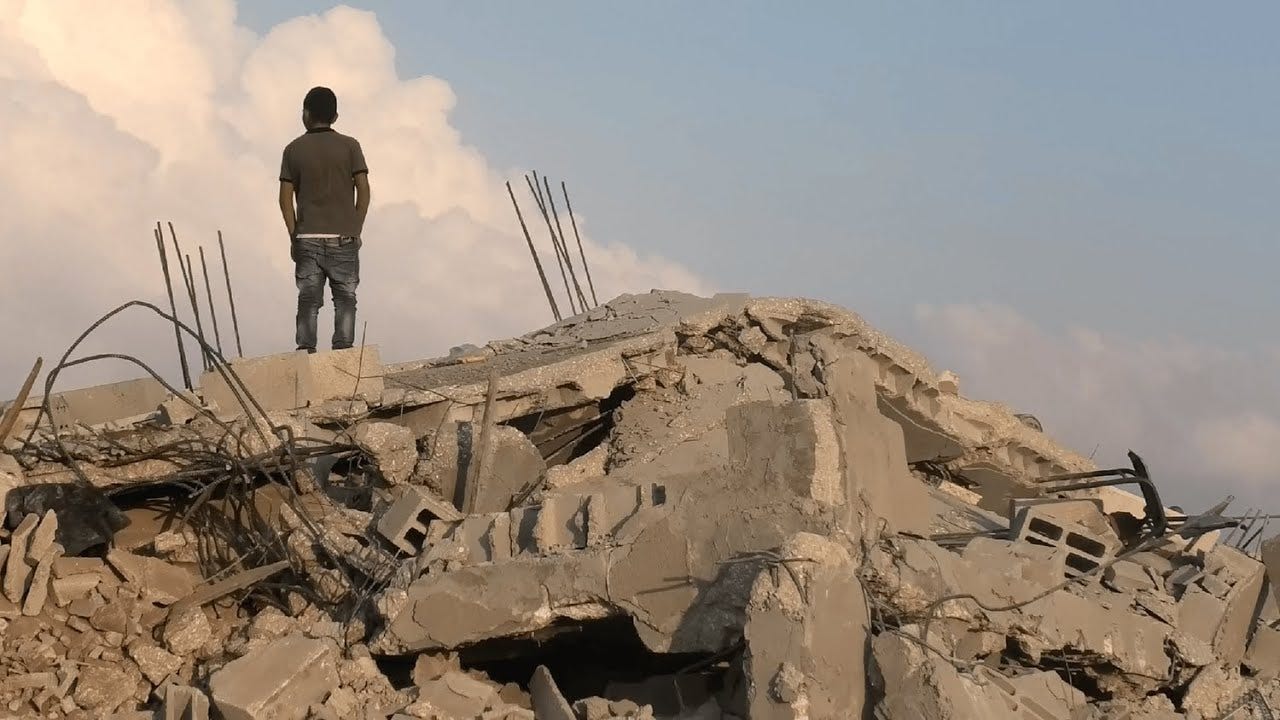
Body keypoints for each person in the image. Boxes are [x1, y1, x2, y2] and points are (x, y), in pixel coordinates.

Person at [278, 86, 371, 353]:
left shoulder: (293, 150)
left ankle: (306, 350)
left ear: (305, 114)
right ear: (336, 116)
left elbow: (285, 199)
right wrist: (356, 227)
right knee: (345, 298)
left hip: (307, 237)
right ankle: (343, 351)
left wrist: (294, 236)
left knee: (308, 299)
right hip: (344, 236)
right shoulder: (351, 147)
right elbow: (363, 190)